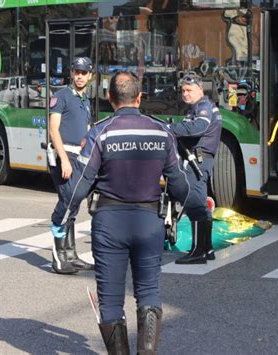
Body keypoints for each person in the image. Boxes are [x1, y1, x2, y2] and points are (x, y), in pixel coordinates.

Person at [61, 71, 190, 354]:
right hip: (148, 222)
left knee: (110, 300)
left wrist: (62, 218)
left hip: (109, 224)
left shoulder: (101, 132)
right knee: (149, 293)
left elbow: (79, 186)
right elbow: (180, 184)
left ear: (109, 98)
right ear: (140, 97)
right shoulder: (161, 131)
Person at [167, 73, 222, 264]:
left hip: (197, 161)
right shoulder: (198, 107)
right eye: (182, 90)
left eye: (189, 90)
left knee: (195, 204)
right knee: (200, 204)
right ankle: (206, 249)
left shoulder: (203, 107)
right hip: (198, 160)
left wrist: (170, 129)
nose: (185, 94)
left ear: (200, 89)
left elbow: (198, 128)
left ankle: (197, 252)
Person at [48, 57, 95, 274]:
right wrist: (64, 158)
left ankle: (71, 255)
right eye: (76, 72)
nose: (79, 76)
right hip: (63, 155)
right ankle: (58, 258)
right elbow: (53, 129)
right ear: (71, 73)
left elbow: (86, 131)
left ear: (90, 76)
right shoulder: (62, 96)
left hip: (79, 157)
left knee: (74, 203)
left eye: (83, 73)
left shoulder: (85, 100)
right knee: (67, 201)